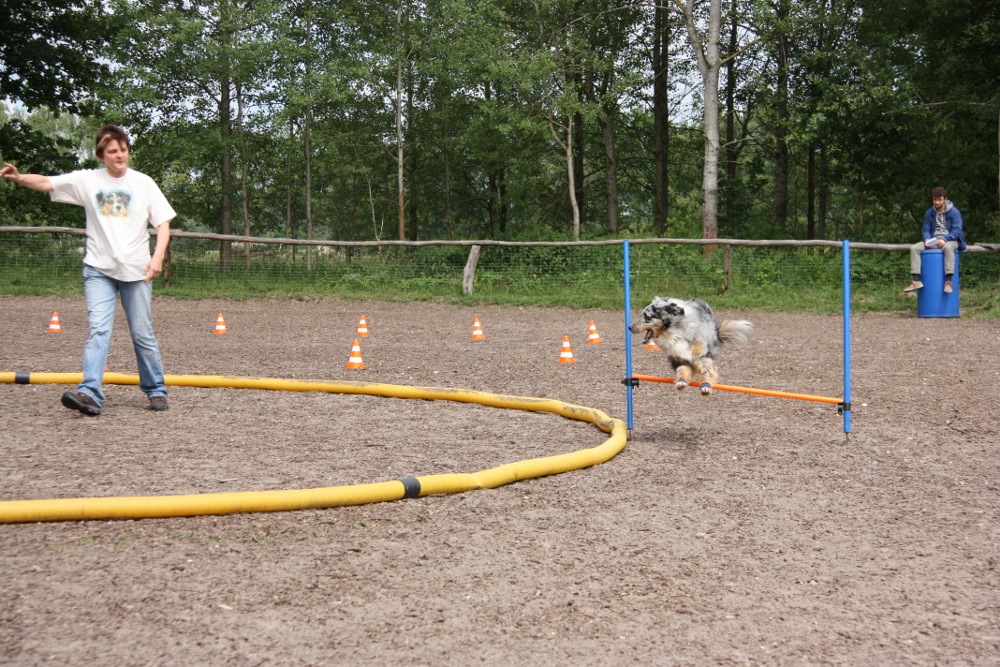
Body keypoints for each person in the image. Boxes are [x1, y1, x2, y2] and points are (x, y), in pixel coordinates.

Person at [1, 124, 175, 416]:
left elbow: (163, 223)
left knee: (142, 334)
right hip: (98, 270)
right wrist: (19, 177)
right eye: (113, 151)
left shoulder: (143, 183)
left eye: (123, 150)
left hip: (137, 272)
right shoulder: (87, 181)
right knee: (98, 329)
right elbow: (46, 183)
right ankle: (90, 392)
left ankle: (156, 390)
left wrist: (157, 258)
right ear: (101, 155)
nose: (120, 155)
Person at [903, 186, 966, 294]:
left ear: (945, 199)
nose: (937, 202)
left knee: (947, 248)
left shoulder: (954, 212)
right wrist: (927, 239)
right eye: (935, 199)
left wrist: (945, 239)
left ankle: (948, 281)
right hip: (934, 240)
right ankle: (916, 280)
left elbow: (957, 231)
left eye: (939, 199)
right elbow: (925, 230)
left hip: (951, 240)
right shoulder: (929, 212)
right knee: (914, 248)